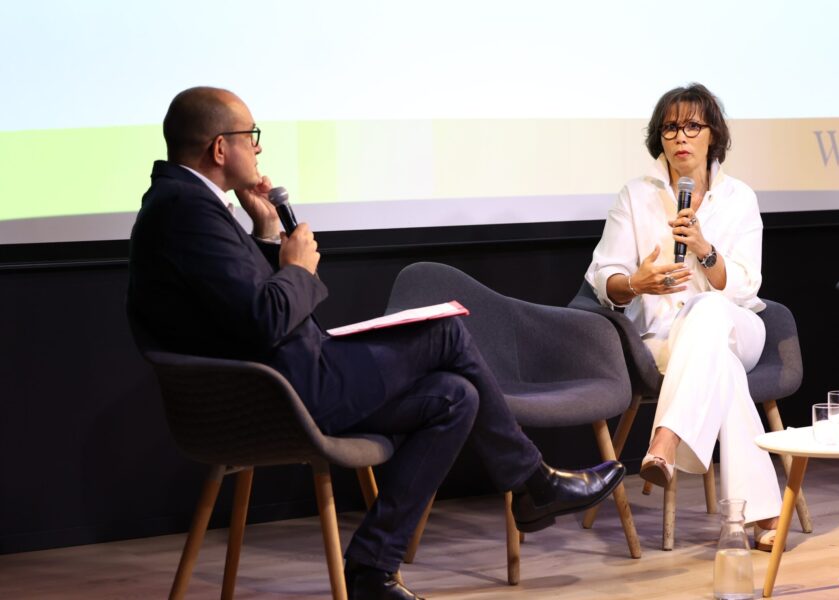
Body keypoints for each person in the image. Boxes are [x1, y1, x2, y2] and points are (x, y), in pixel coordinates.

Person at [128, 86, 625, 600]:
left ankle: (371, 568)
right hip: (286, 394)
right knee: (445, 330)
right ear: (218, 149)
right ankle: (532, 482)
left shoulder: (181, 206)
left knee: (458, 397)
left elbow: (233, 306)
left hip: (289, 381)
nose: (258, 150)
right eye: (251, 137)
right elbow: (265, 320)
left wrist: (267, 230)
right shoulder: (185, 212)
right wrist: (295, 265)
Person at [584, 83, 782, 551]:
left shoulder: (739, 198)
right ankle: (765, 515)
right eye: (671, 127)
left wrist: (703, 249)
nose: (680, 137)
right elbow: (602, 275)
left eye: (692, 126)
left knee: (711, 310)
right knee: (722, 371)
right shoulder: (636, 196)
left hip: (739, 327)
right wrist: (637, 283)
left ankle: (665, 443)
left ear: (713, 135)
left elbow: (746, 284)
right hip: (663, 341)